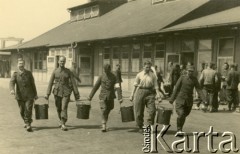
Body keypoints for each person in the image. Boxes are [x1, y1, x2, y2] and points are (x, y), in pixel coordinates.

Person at [45, 56, 80, 131]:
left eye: (63, 61)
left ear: (65, 62)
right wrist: (47, 94)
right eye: (61, 61)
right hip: (57, 92)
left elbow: (73, 83)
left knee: (64, 107)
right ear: (58, 62)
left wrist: (76, 94)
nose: (62, 63)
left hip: (66, 92)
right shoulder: (55, 71)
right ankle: (61, 120)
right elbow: (50, 83)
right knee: (58, 108)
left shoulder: (68, 71)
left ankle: (63, 123)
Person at [169, 66, 206, 132]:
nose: (190, 73)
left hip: (189, 101)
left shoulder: (194, 79)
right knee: (181, 114)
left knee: (185, 115)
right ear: (186, 71)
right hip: (180, 99)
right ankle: (179, 129)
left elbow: (199, 89)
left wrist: (204, 99)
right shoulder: (182, 78)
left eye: (192, 71)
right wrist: (172, 99)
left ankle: (180, 128)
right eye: (189, 71)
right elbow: (176, 88)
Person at [88, 64, 122, 132]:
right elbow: (96, 87)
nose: (106, 72)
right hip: (103, 96)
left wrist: (120, 97)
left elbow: (118, 87)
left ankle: (104, 121)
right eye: (105, 70)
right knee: (104, 109)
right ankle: (103, 125)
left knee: (109, 108)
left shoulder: (114, 76)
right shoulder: (101, 76)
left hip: (111, 96)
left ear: (110, 69)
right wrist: (90, 96)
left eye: (107, 70)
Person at [130, 61, 162, 133]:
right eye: (147, 67)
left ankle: (149, 126)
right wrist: (132, 95)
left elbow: (156, 86)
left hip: (150, 93)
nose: (148, 69)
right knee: (138, 111)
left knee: (152, 110)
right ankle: (140, 126)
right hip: (140, 92)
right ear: (143, 67)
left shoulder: (153, 75)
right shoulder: (139, 75)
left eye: (149, 67)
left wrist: (158, 95)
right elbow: (135, 85)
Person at [9, 58, 38, 132]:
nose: (21, 65)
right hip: (20, 96)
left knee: (28, 109)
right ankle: (26, 121)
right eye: (19, 64)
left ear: (24, 64)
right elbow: (11, 82)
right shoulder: (15, 74)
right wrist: (12, 89)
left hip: (29, 95)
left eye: (22, 63)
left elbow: (33, 84)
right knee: (22, 111)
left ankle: (28, 124)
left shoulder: (29, 73)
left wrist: (35, 94)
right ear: (17, 65)